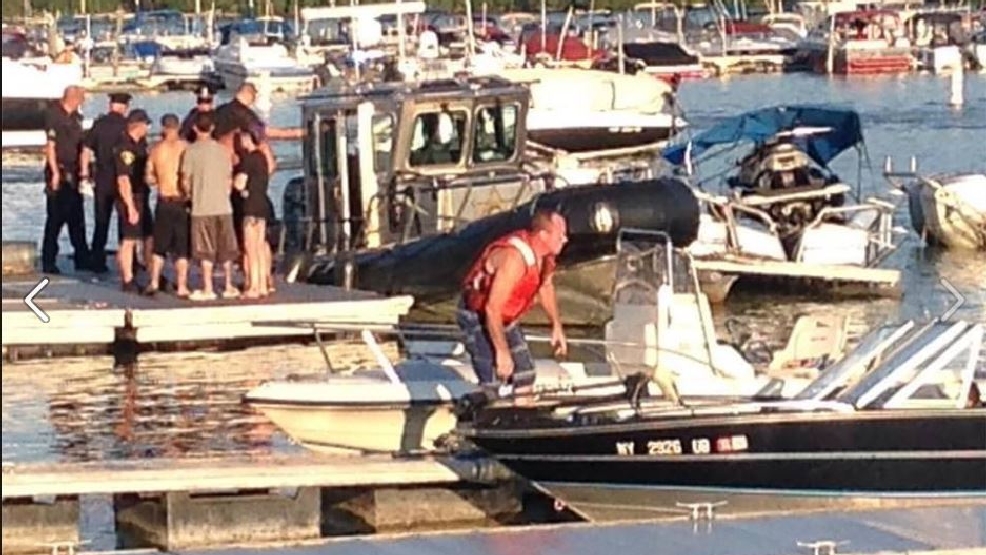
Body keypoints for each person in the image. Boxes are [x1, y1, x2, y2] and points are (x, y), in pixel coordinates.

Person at [455, 210, 569, 393]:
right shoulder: (514, 259)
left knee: (525, 375)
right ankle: (489, 404)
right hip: (479, 313)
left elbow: (545, 286)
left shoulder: (546, 257)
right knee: (494, 376)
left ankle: (524, 407)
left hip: (505, 316)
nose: (565, 240)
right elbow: (492, 309)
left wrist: (556, 325)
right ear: (543, 235)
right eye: (560, 236)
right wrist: (502, 352)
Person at [181, 111, 240, 301]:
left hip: (202, 207)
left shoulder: (191, 151)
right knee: (227, 250)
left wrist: (189, 195)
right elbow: (229, 178)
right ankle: (229, 285)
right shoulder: (223, 151)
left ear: (194, 128)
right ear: (213, 128)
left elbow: (185, 180)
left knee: (204, 250)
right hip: (223, 206)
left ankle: (208, 288)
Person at [41, 85, 90, 274]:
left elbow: (81, 144)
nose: (82, 103)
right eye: (81, 99)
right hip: (59, 169)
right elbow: (50, 146)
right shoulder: (54, 115)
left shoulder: (77, 117)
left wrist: (84, 171)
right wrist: (54, 172)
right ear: (73, 98)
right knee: (55, 217)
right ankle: (48, 260)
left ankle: (82, 257)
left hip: (74, 170)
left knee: (77, 216)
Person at [81, 92, 131, 273]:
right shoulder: (127, 126)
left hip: (102, 178)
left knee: (101, 221)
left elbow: (86, 150)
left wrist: (84, 174)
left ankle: (97, 259)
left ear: (111, 105)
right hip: (122, 178)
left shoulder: (99, 124)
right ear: (125, 107)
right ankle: (127, 259)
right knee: (125, 221)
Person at [144, 113, 190, 298]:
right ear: (178, 127)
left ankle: (154, 282)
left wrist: (160, 177)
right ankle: (182, 286)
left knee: (159, 246)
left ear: (163, 128)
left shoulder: (156, 150)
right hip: (181, 201)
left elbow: (149, 178)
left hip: (164, 200)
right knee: (182, 247)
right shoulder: (186, 148)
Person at [113, 109, 155, 291]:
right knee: (129, 239)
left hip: (143, 194)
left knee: (148, 236)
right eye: (146, 125)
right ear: (138, 125)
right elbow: (123, 179)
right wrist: (130, 207)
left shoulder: (141, 144)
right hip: (129, 197)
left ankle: (152, 272)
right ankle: (127, 278)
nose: (148, 128)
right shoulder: (124, 147)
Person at [232, 130, 271, 298]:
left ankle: (253, 287)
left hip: (250, 206)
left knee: (250, 248)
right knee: (260, 246)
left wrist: (235, 183)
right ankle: (262, 285)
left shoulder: (248, 159)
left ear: (247, 139)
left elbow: (240, 183)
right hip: (262, 204)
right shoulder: (263, 158)